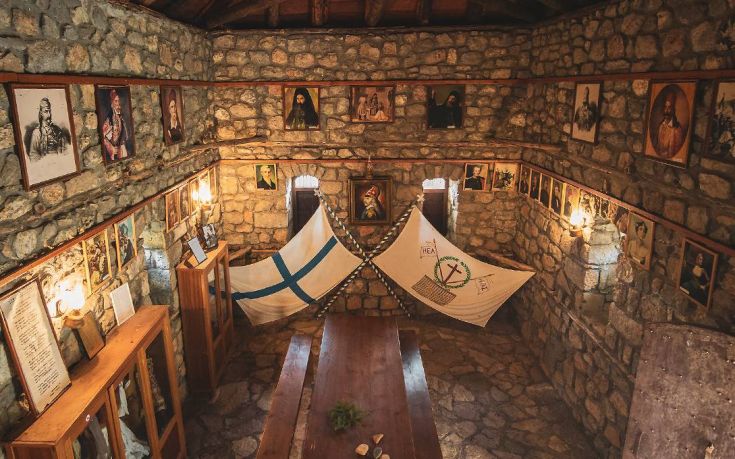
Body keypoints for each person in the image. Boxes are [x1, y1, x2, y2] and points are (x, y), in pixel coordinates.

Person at [653, 91, 685, 158]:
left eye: (669, 107)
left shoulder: (677, 130)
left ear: (673, 110)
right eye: (665, 107)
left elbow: (677, 153)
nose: (666, 110)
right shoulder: (660, 126)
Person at [102, 89, 131, 162]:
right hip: (113, 148)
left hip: (121, 145)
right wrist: (110, 146)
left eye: (119, 101)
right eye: (116, 101)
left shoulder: (121, 116)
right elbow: (103, 135)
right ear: (111, 102)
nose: (118, 103)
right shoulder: (109, 119)